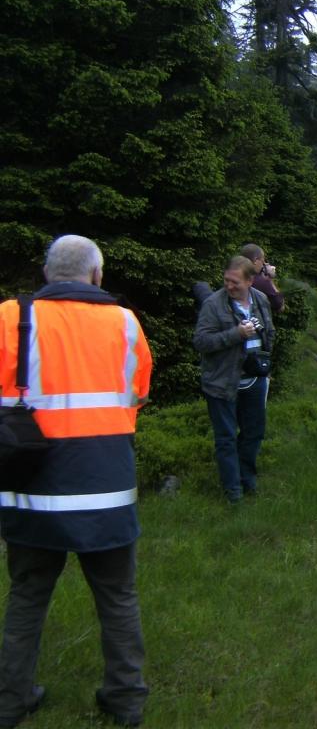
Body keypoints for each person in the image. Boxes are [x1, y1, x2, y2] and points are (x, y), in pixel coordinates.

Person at [0, 235, 153, 727]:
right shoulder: (126, 324)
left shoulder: (8, 318)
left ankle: (10, 700)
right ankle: (126, 699)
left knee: (26, 596)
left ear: (46, 274)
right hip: (107, 487)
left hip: (31, 491)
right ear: (97, 275)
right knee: (118, 596)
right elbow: (138, 394)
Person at [194, 256, 276, 502]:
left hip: (255, 379)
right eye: (226, 280)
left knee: (253, 433)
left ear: (251, 281)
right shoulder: (213, 304)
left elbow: (270, 333)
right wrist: (236, 334)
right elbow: (201, 342)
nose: (229, 286)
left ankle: (247, 480)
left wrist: (266, 363)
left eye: (235, 283)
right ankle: (233, 492)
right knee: (226, 438)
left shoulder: (261, 300)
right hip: (221, 382)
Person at [239, 243, 285, 314]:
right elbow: (280, 307)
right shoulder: (262, 282)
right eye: (262, 261)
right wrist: (270, 279)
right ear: (255, 260)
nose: (263, 265)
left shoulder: (234, 276)